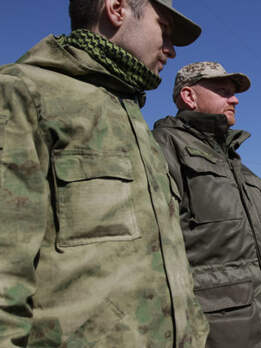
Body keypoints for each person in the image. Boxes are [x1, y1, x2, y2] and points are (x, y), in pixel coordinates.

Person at [0, 1, 208, 346]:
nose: (170, 50)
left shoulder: (133, 118)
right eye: (165, 31)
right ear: (116, 8)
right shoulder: (24, 93)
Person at [152, 62, 261, 347]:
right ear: (189, 97)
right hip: (216, 331)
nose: (235, 99)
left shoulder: (233, 161)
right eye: (222, 91)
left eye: (234, 93)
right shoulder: (164, 147)